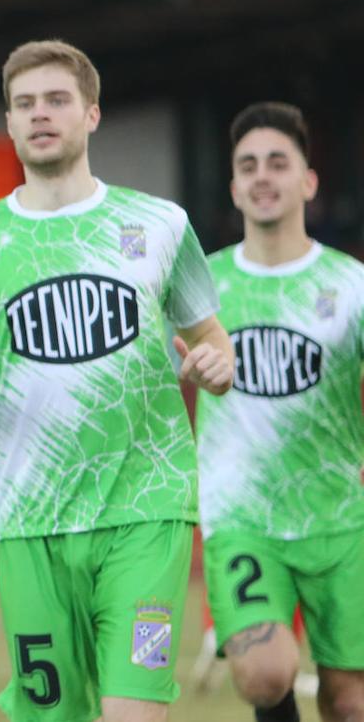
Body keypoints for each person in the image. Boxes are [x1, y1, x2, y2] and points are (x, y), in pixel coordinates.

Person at [0, 39, 233, 722]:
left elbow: (213, 347)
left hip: (146, 511)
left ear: (91, 115)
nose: (39, 114)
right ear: (9, 123)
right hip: (31, 521)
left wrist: (218, 366)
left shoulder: (161, 224)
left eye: (56, 100)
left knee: (132, 710)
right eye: (24, 104)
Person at [195, 101, 364, 722]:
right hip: (241, 516)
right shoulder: (198, 288)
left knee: (349, 703)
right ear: (235, 187)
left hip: (340, 519)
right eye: (248, 166)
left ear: (308, 180)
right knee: (266, 673)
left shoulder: (352, 286)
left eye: (277, 162)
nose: (262, 176)